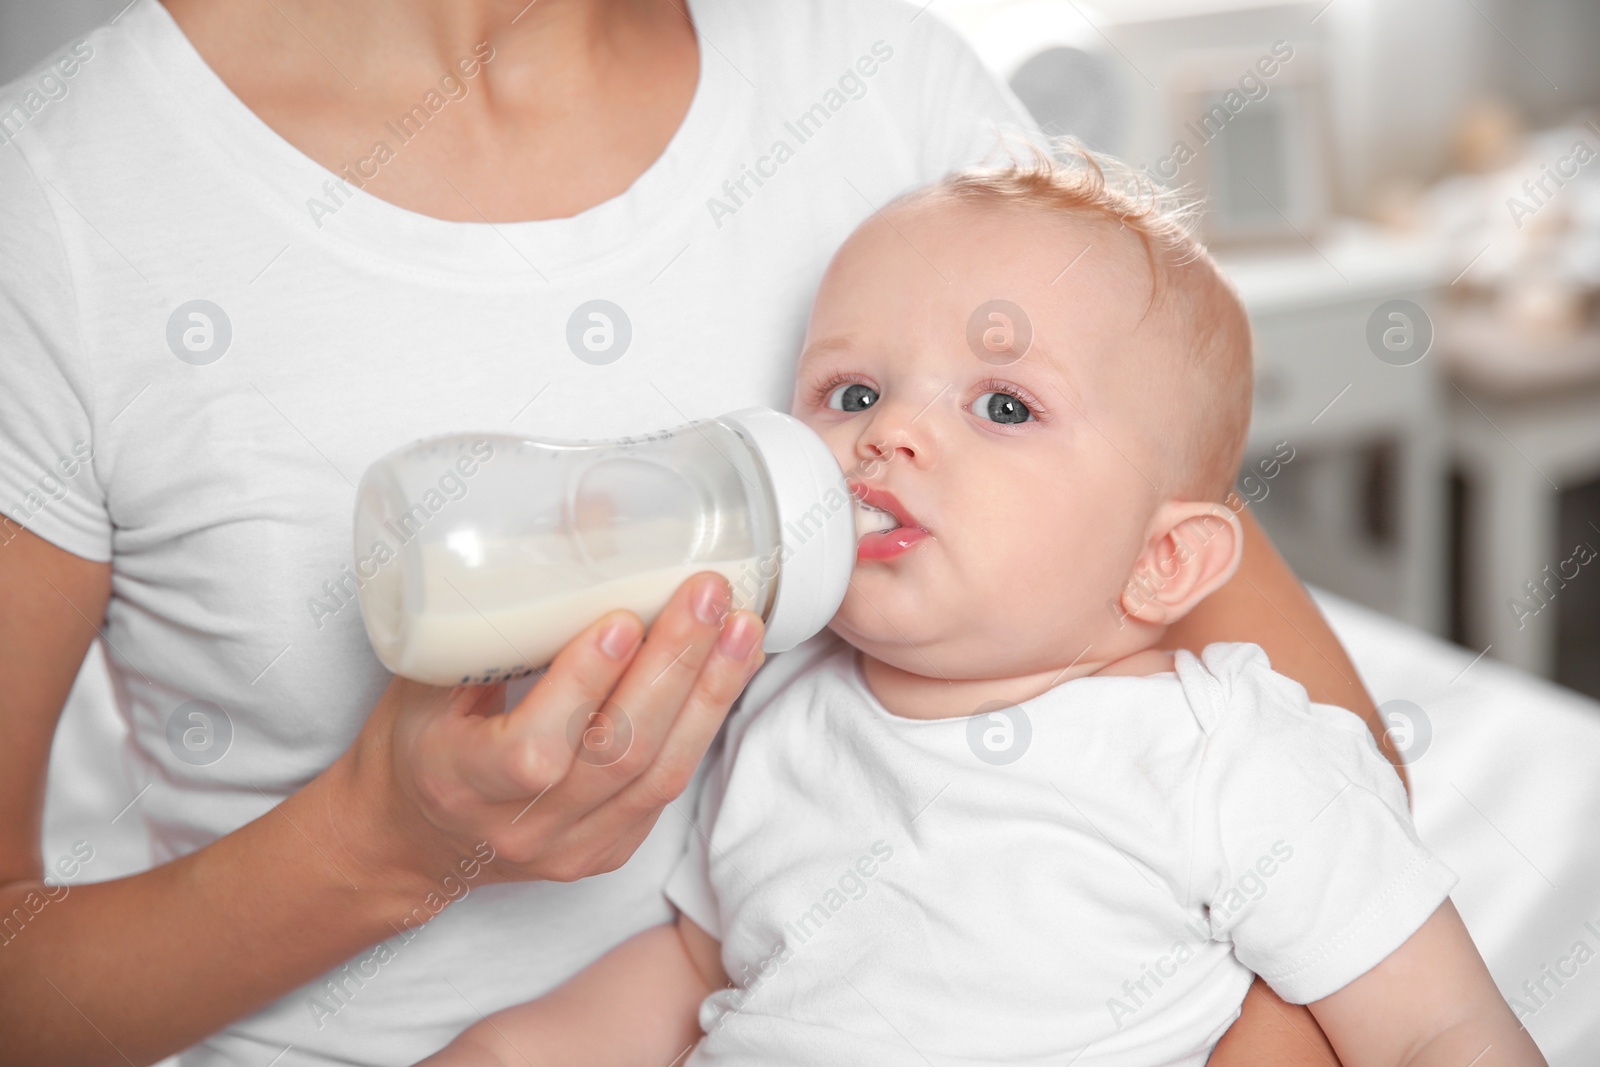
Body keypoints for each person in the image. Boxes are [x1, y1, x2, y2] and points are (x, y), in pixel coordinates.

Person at [0, 0, 1398, 1063]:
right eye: (849, 394)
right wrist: (387, 842)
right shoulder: (62, 205)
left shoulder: (870, 79)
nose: (887, 443)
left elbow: (1325, 767)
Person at [420, 149, 1540, 1067]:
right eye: (852, 391)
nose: (886, 434)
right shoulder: (780, 712)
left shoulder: (1228, 757)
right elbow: (697, 971)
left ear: (1160, 561)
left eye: (1003, 404)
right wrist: (509, 1048)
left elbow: (1436, 1028)